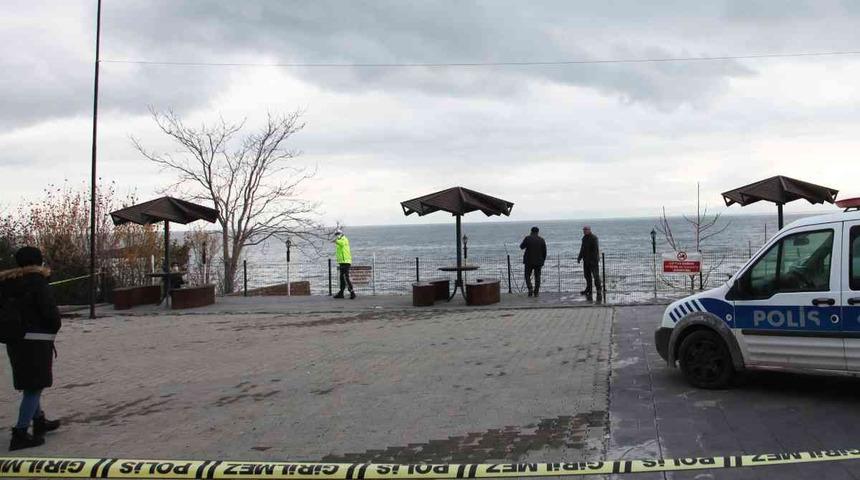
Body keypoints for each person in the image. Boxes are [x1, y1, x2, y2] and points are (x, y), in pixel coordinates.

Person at [1, 246, 61, 451]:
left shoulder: (7, 283)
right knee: (35, 386)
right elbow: (50, 312)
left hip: (14, 340)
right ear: (38, 261)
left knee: (30, 383)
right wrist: (54, 327)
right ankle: (20, 432)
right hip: (37, 339)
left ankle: (39, 420)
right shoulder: (38, 282)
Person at [519, 226, 547, 297]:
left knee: (527, 275)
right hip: (538, 262)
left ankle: (530, 288)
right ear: (538, 232)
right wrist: (543, 260)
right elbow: (544, 252)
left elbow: (521, 247)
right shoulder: (541, 240)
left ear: (531, 231)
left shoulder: (527, 238)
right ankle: (536, 292)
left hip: (528, 261)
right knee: (537, 277)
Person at [577, 226, 601, 298]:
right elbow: (582, 249)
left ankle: (599, 290)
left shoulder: (594, 238)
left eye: (585, 230)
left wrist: (593, 260)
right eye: (583, 230)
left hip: (593, 262)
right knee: (587, 276)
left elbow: (595, 250)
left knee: (596, 276)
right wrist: (579, 257)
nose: (584, 231)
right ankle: (589, 290)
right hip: (586, 261)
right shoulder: (584, 238)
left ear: (589, 230)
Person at [333, 229, 355, 299]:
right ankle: (341, 293)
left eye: (338, 234)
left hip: (346, 261)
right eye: (336, 234)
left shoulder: (344, 239)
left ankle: (352, 292)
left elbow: (342, 243)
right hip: (342, 262)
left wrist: (336, 241)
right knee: (342, 278)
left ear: (341, 234)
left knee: (345, 277)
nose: (337, 235)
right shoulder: (339, 240)